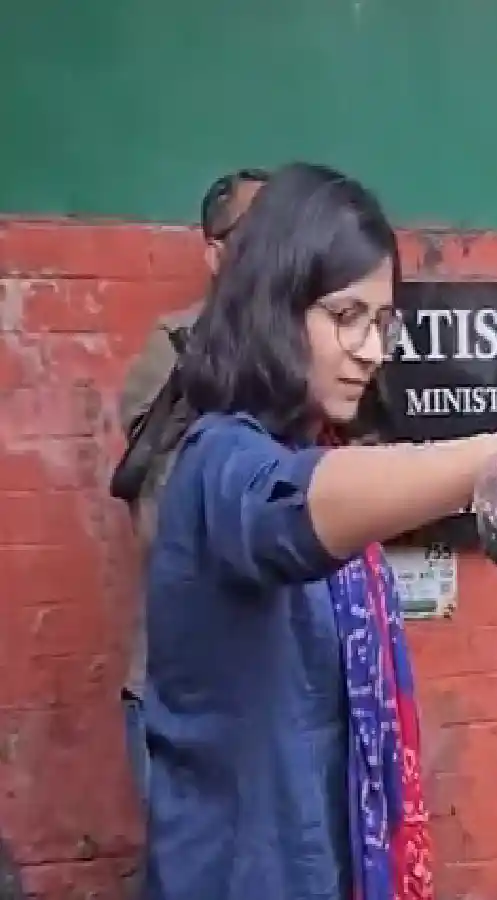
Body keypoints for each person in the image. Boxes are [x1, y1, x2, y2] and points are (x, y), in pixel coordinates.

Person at [142, 162, 497, 900]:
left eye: (382, 323)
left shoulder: (323, 452)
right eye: (345, 317)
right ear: (272, 308)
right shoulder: (217, 462)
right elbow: (289, 510)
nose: (373, 348)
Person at [115, 167, 270, 806]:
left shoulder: (326, 352)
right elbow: (163, 516)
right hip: (187, 690)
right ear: (214, 252)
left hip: (286, 695)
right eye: (254, 231)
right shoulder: (176, 348)